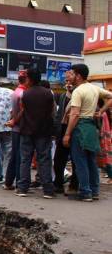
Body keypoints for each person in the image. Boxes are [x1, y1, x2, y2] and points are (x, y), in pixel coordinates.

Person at [63, 64, 112, 201]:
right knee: (91, 161)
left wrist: (67, 134)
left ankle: (85, 192)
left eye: (72, 74)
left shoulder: (78, 91)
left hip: (80, 127)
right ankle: (94, 191)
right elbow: (110, 96)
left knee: (80, 162)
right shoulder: (94, 88)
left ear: (78, 76)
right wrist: (101, 111)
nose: (69, 76)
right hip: (91, 127)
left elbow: (74, 115)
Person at [10, 68, 55, 198]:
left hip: (27, 131)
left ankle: (23, 188)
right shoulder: (48, 93)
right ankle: (48, 190)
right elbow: (52, 112)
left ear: (29, 79)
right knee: (44, 160)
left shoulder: (25, 94)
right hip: (44, 131)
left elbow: (23, 111)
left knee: (25, 159)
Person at [52, 82, 77, 194]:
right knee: (58, 160)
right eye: (66, 82)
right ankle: (58, 183)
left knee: (76, 160)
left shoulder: (79, 95)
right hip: (62, 131)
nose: (68, 85)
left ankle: (74, 185)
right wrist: (56, 131)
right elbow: (58, 115)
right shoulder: (63, 96)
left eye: (71, 83)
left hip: (75, 131)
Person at [5, 71, 27, 190]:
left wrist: (12, 120)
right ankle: (19, 182)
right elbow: (22, 111)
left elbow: (12, 111)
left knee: (14, 155)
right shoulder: (23, 93)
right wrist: (14, 121)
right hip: (20, 128)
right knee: (20, 156)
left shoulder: (15, 92)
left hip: (15, 129)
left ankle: (8, 181)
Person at [97, 100, 112, 185]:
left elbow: (101, 128)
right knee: (105, 159)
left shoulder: (102, 113)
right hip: (105, 138)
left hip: (102, 139)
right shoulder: (105, 113)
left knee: (105, 160)